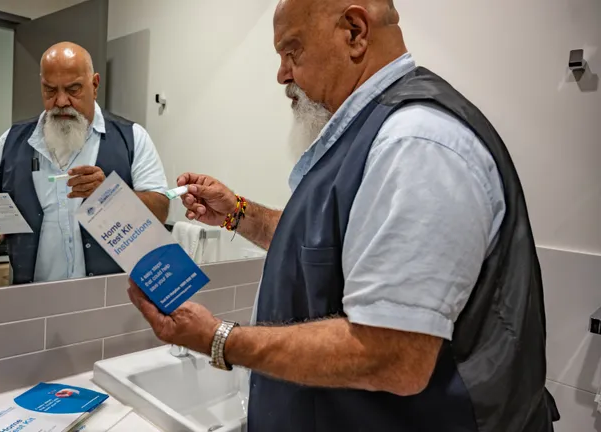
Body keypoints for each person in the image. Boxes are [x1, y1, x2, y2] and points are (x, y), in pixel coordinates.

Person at [127, 0, 560, 431]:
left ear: (354, 32)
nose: (281, 74)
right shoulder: (374, 135)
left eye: (291, 51)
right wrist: (239, 214)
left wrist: (218, 339)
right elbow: (330, 248)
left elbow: (392, 354)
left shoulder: (414, 143)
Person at [0, 42, 169, 284]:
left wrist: (110, 195)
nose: (61, 101)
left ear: (95, 85)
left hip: (109, 301)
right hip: (32, 305)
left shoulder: (133, 138)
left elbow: (160, 211)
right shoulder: (10, 143)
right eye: (50, 90)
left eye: (73, 89)